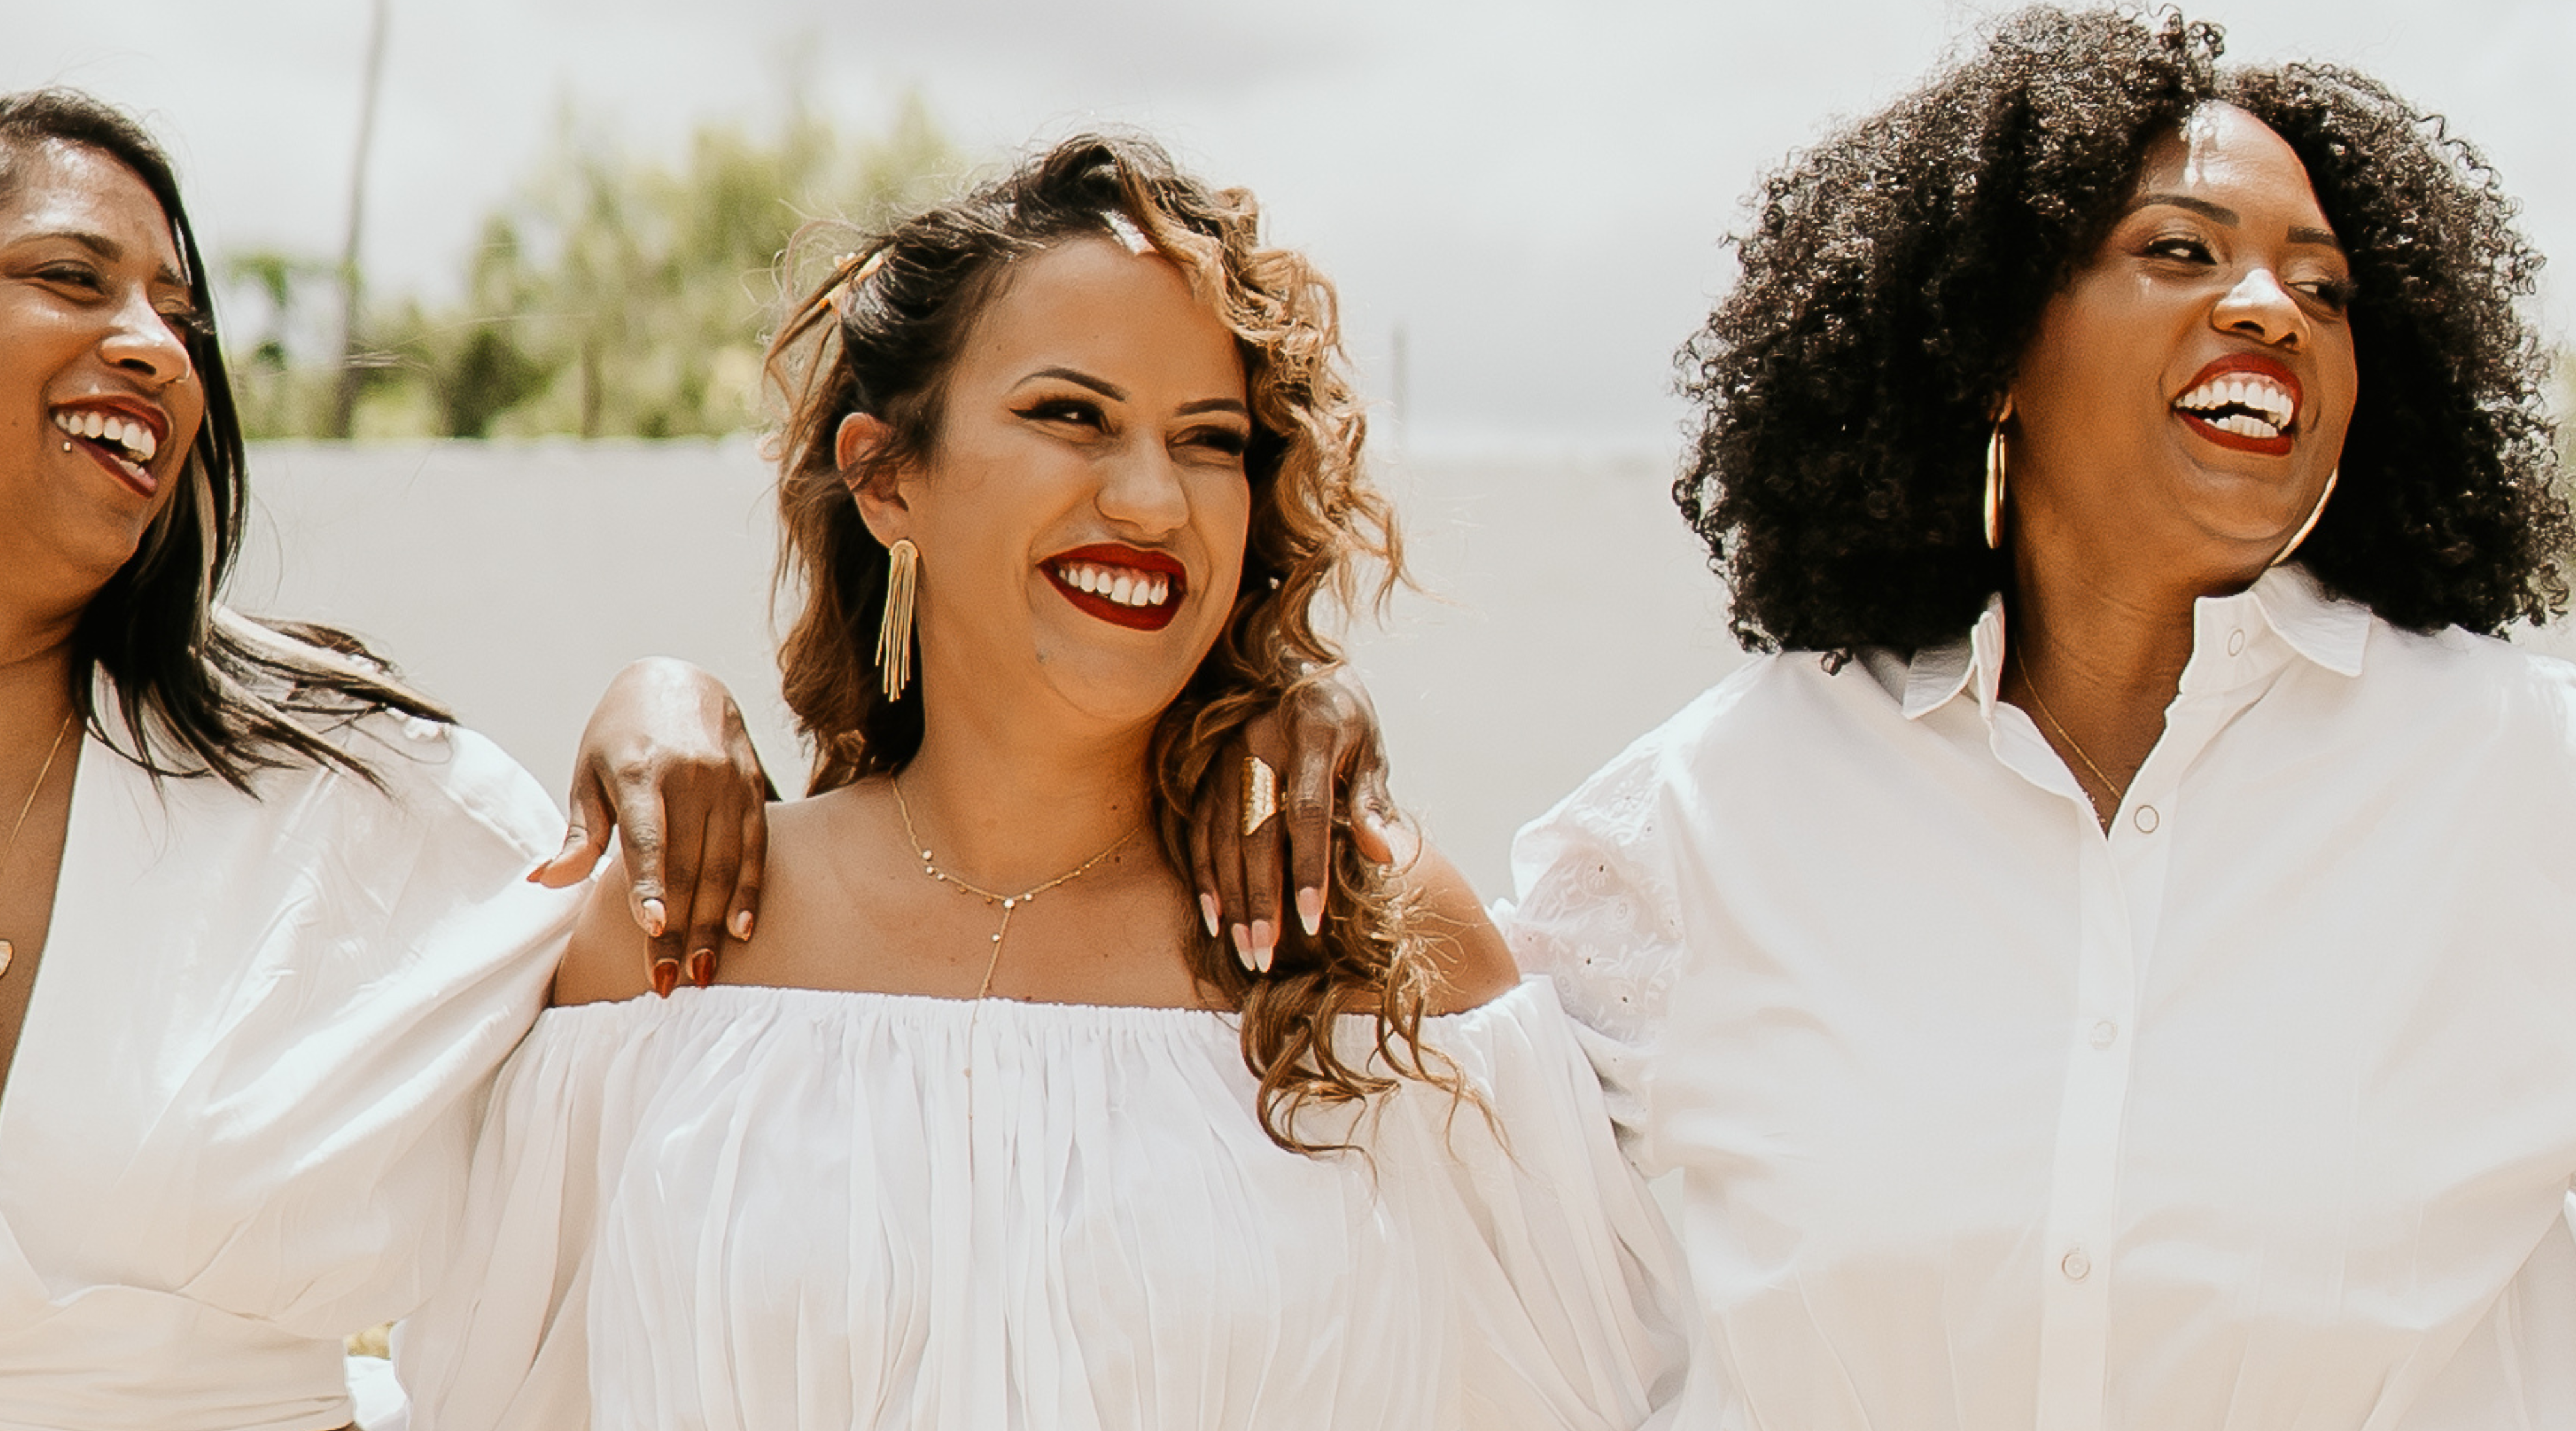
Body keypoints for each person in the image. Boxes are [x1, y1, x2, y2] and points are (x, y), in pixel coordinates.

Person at [1504, 5, 2576, 1427]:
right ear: (1991, 346)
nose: (2271, 308)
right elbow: (1445, 1138)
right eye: (2180, 251)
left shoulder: (2535, 788)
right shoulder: (1730, 801)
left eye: (2327, 288)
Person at [399, 134, 1677, 1428]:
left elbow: (1582, 1397)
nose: (1153, 500)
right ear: (884, 476)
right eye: (1072, 415)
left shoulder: (1368, 937)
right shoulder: (677, 938)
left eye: (1211, 440)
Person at [0, 89, 579, 1429]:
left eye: (182, 319)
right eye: (73, 278)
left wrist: (668, 715)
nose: (156, 348)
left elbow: (696, 1036)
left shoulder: (349, 792)